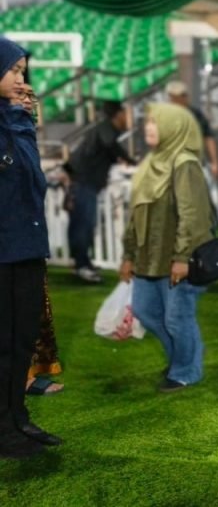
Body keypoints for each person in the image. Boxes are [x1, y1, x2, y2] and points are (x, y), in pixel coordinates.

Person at [119, 103, 214, 393]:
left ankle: (186, 370)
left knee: (177, 318)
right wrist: (129, 255)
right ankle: (182, 359)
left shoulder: (184, 162)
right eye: (148, 121)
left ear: (174, 126)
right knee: (145, 311)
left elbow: (193, 213)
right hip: (149, 257)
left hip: (177, 257)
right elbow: (136, 214)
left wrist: (183, 257)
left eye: (155, 122)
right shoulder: (151, 163)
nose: (148, 127)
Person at [0, 36, 58, 459]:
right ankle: (4, 429)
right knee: (4, 343)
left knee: (22, 342)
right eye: (12, 70)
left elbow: (33, 179)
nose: (21, 79)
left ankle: (17, 417)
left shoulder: (15, 118)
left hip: (26, 245)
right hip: (4, 248)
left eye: (23, 71)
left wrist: (22, 119)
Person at [64, 99, 135, 283]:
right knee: (83, 225)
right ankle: (81, 266)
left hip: (82, 181)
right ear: (118, 115)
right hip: (83, 181)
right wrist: (130, 160)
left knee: (83, 225)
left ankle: (82, 263)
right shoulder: (105, 128)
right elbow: (111, 145)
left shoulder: (102, 129)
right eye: (125, 114)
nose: (128, 117)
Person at [166, 80, 218, 180]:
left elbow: (208, 137)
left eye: (181, 96)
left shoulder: (196, 114)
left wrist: (214, 162)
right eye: (172, 97)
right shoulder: (166, 116)